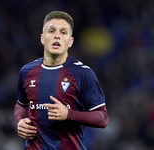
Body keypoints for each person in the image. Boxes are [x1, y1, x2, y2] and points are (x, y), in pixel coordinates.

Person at [14, 11, 109, 150]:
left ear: (70, 41)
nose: (57, 35)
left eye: (63, 32)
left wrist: (68, 114)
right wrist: (20, 120)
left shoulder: (83, 73)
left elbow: (103, 118)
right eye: (51, 31)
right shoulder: (26, 72)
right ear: (42, 38)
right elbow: (21, 105)